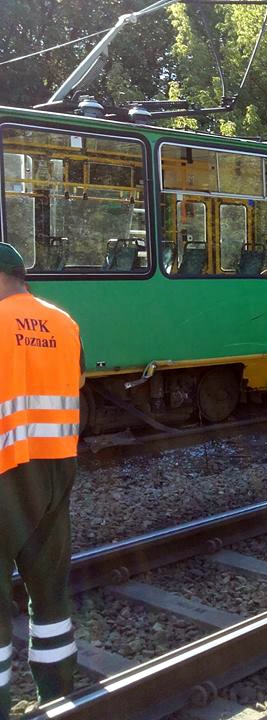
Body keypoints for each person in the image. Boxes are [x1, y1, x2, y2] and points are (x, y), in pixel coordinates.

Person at [0, 242, 83, 720]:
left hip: (3, 474)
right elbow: (77, 384)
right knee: (49, 594)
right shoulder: (63, 321)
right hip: (54, 470)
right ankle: (59, 698)